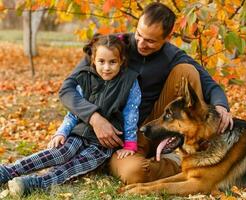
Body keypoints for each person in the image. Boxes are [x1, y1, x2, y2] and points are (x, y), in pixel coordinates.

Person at [59, 2, 234, 185]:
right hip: (116, 137)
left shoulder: (172, 55)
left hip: (152, 127)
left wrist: (221, 106)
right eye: (139, 35)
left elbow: (210, 85)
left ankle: (186, 155)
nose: (141, 43)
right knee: (135, 173)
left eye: (150, 41)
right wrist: (94, 118)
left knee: (188, 71)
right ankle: (167, 164)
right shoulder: (110, 47)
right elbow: (67, 88)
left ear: (167, 37)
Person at [0, 34, 141, 196]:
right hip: (79, 133)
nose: (106, 67)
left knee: (75, 165)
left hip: (102, 145)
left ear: (122, 61)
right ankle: (8, 171)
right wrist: (62, 132)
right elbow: (74, 111)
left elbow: (131, 113)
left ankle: (34, 183)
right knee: (61, 152)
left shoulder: (129, 81)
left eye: (113, 62)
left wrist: (130, 143)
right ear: (93, 60)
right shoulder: (85, 77)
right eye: (101, 62)